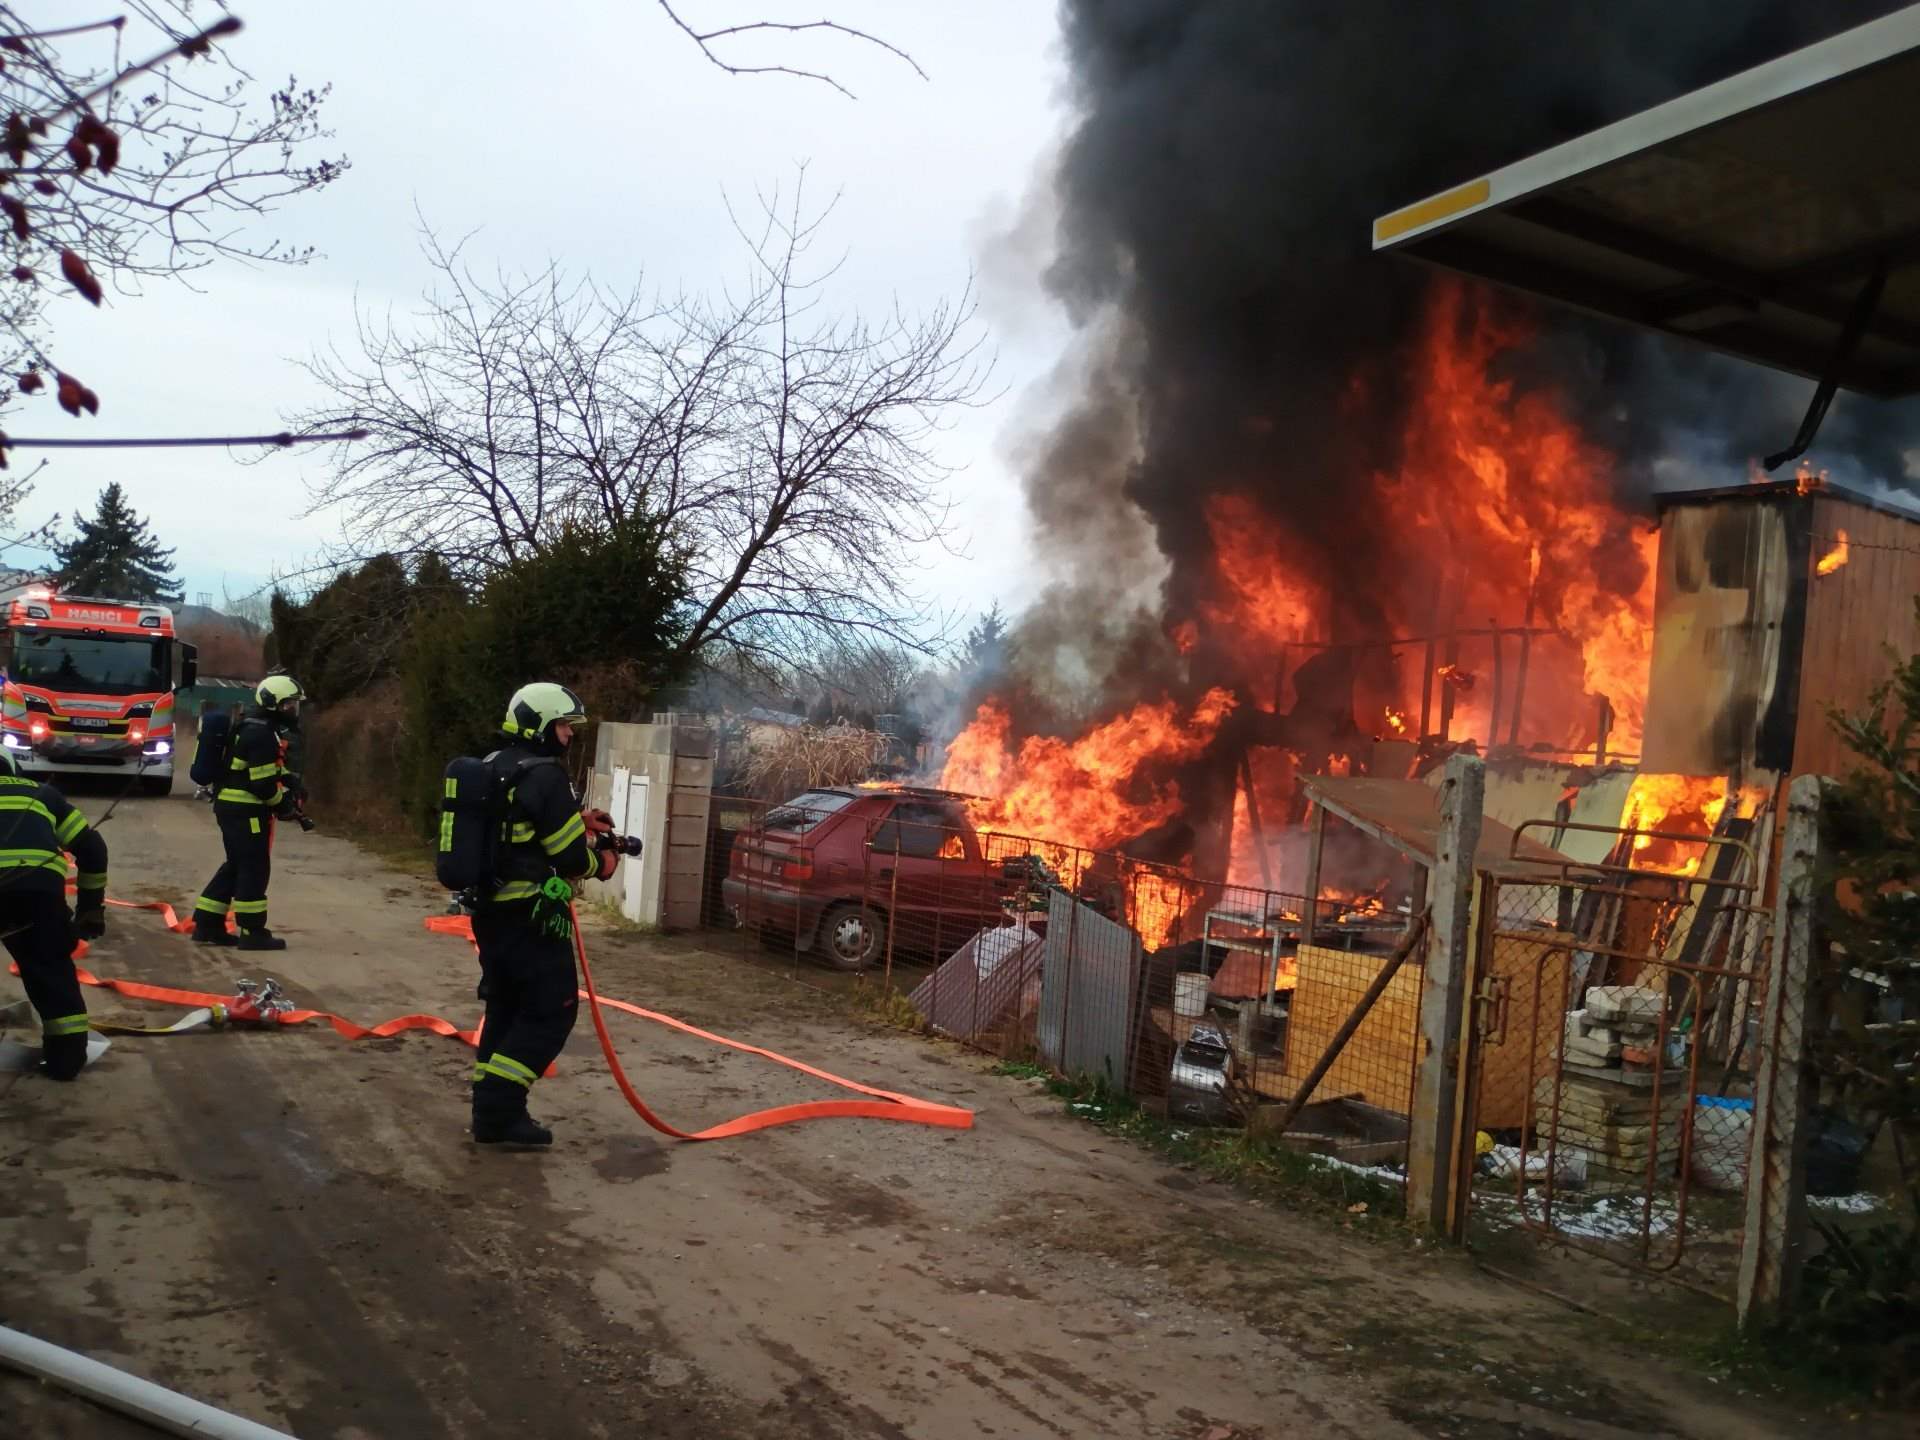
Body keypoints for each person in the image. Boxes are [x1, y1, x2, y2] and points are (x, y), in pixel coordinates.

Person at [468, 682, 620, 1148]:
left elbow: (519, 830)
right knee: (552, 1011)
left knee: (506, 1009)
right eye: (563, 725)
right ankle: (499, 1107)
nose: (569, 735)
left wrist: (579, 821)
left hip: (491, 915)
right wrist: (603, 863)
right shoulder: (547, 776)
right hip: (531, 919)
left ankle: (490, 1114)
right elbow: (568, 857)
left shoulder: (495, 765)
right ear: (540, 725)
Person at [0, 751, 107, 1080]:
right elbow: (92, 848)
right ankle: (65, 1061)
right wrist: (90, 908)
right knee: (51, 972)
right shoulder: (42, 794)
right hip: (36, 895)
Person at [192, 674, 305, 952]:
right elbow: (262, 784)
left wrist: (290, 780)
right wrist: (285, 806)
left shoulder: (255, 727)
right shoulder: (261, 734)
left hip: (234, 808)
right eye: (289, 704)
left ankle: (207, 924)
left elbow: (265, 768)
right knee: (254, 867)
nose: (293, 710)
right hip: (246, 812)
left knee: (237, 864)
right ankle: (252, 931)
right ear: (273, 704)